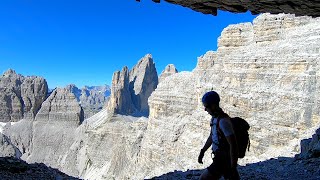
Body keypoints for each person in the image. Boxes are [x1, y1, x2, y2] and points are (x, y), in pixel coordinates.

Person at [198, 91, 240, 180]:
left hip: (224, 160)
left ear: (213, 106)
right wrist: (203, 151)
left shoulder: (223, 121)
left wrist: (233, 166)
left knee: (203, 179)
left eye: (207, 106)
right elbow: (211, 136)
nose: (205, 109)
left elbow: (233, 145)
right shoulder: (215, 119)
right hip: (221, 158)